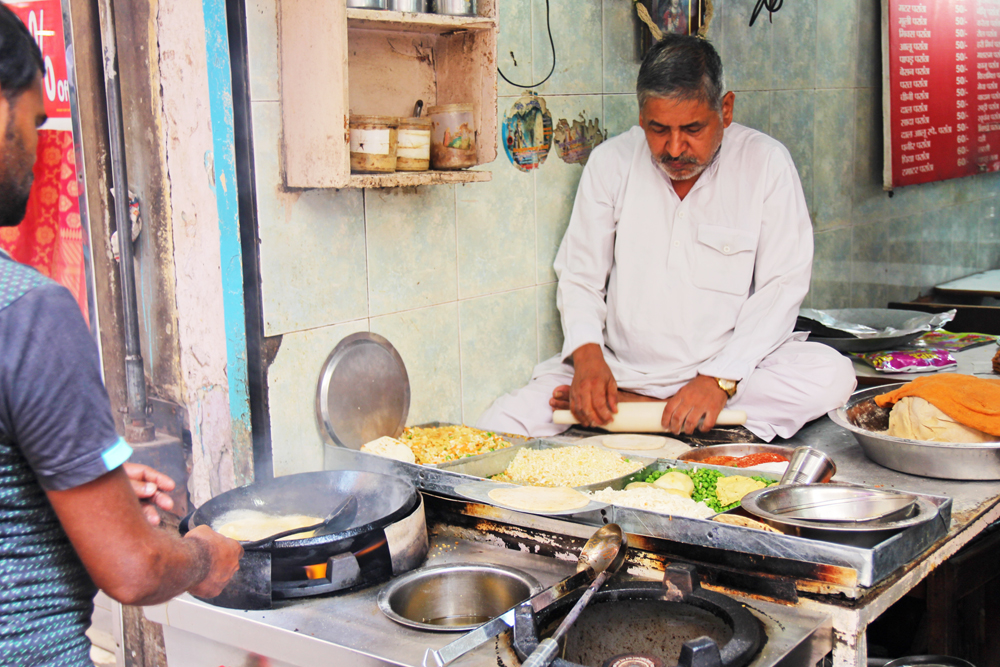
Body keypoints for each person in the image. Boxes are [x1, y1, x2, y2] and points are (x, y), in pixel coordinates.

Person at [0, 7, 242, 665]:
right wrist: (205, 555)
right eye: (34, 118)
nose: (35, 140)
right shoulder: (27, 313)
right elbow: (134, 568)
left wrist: (84, 485)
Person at [478, 34, 856, 441]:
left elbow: (782, 289)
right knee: (500, 423)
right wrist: (588, 361)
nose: (674, 148)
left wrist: (718, 379)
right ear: (641, 117)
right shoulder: (611, 163)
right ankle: (661, 414)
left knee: (831, 374)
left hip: (728, 377)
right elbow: (580, 276)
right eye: (659, 130)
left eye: (693, 128)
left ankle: (647, 413)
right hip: (620, 372)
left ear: (725, 110)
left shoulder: (766, 164)